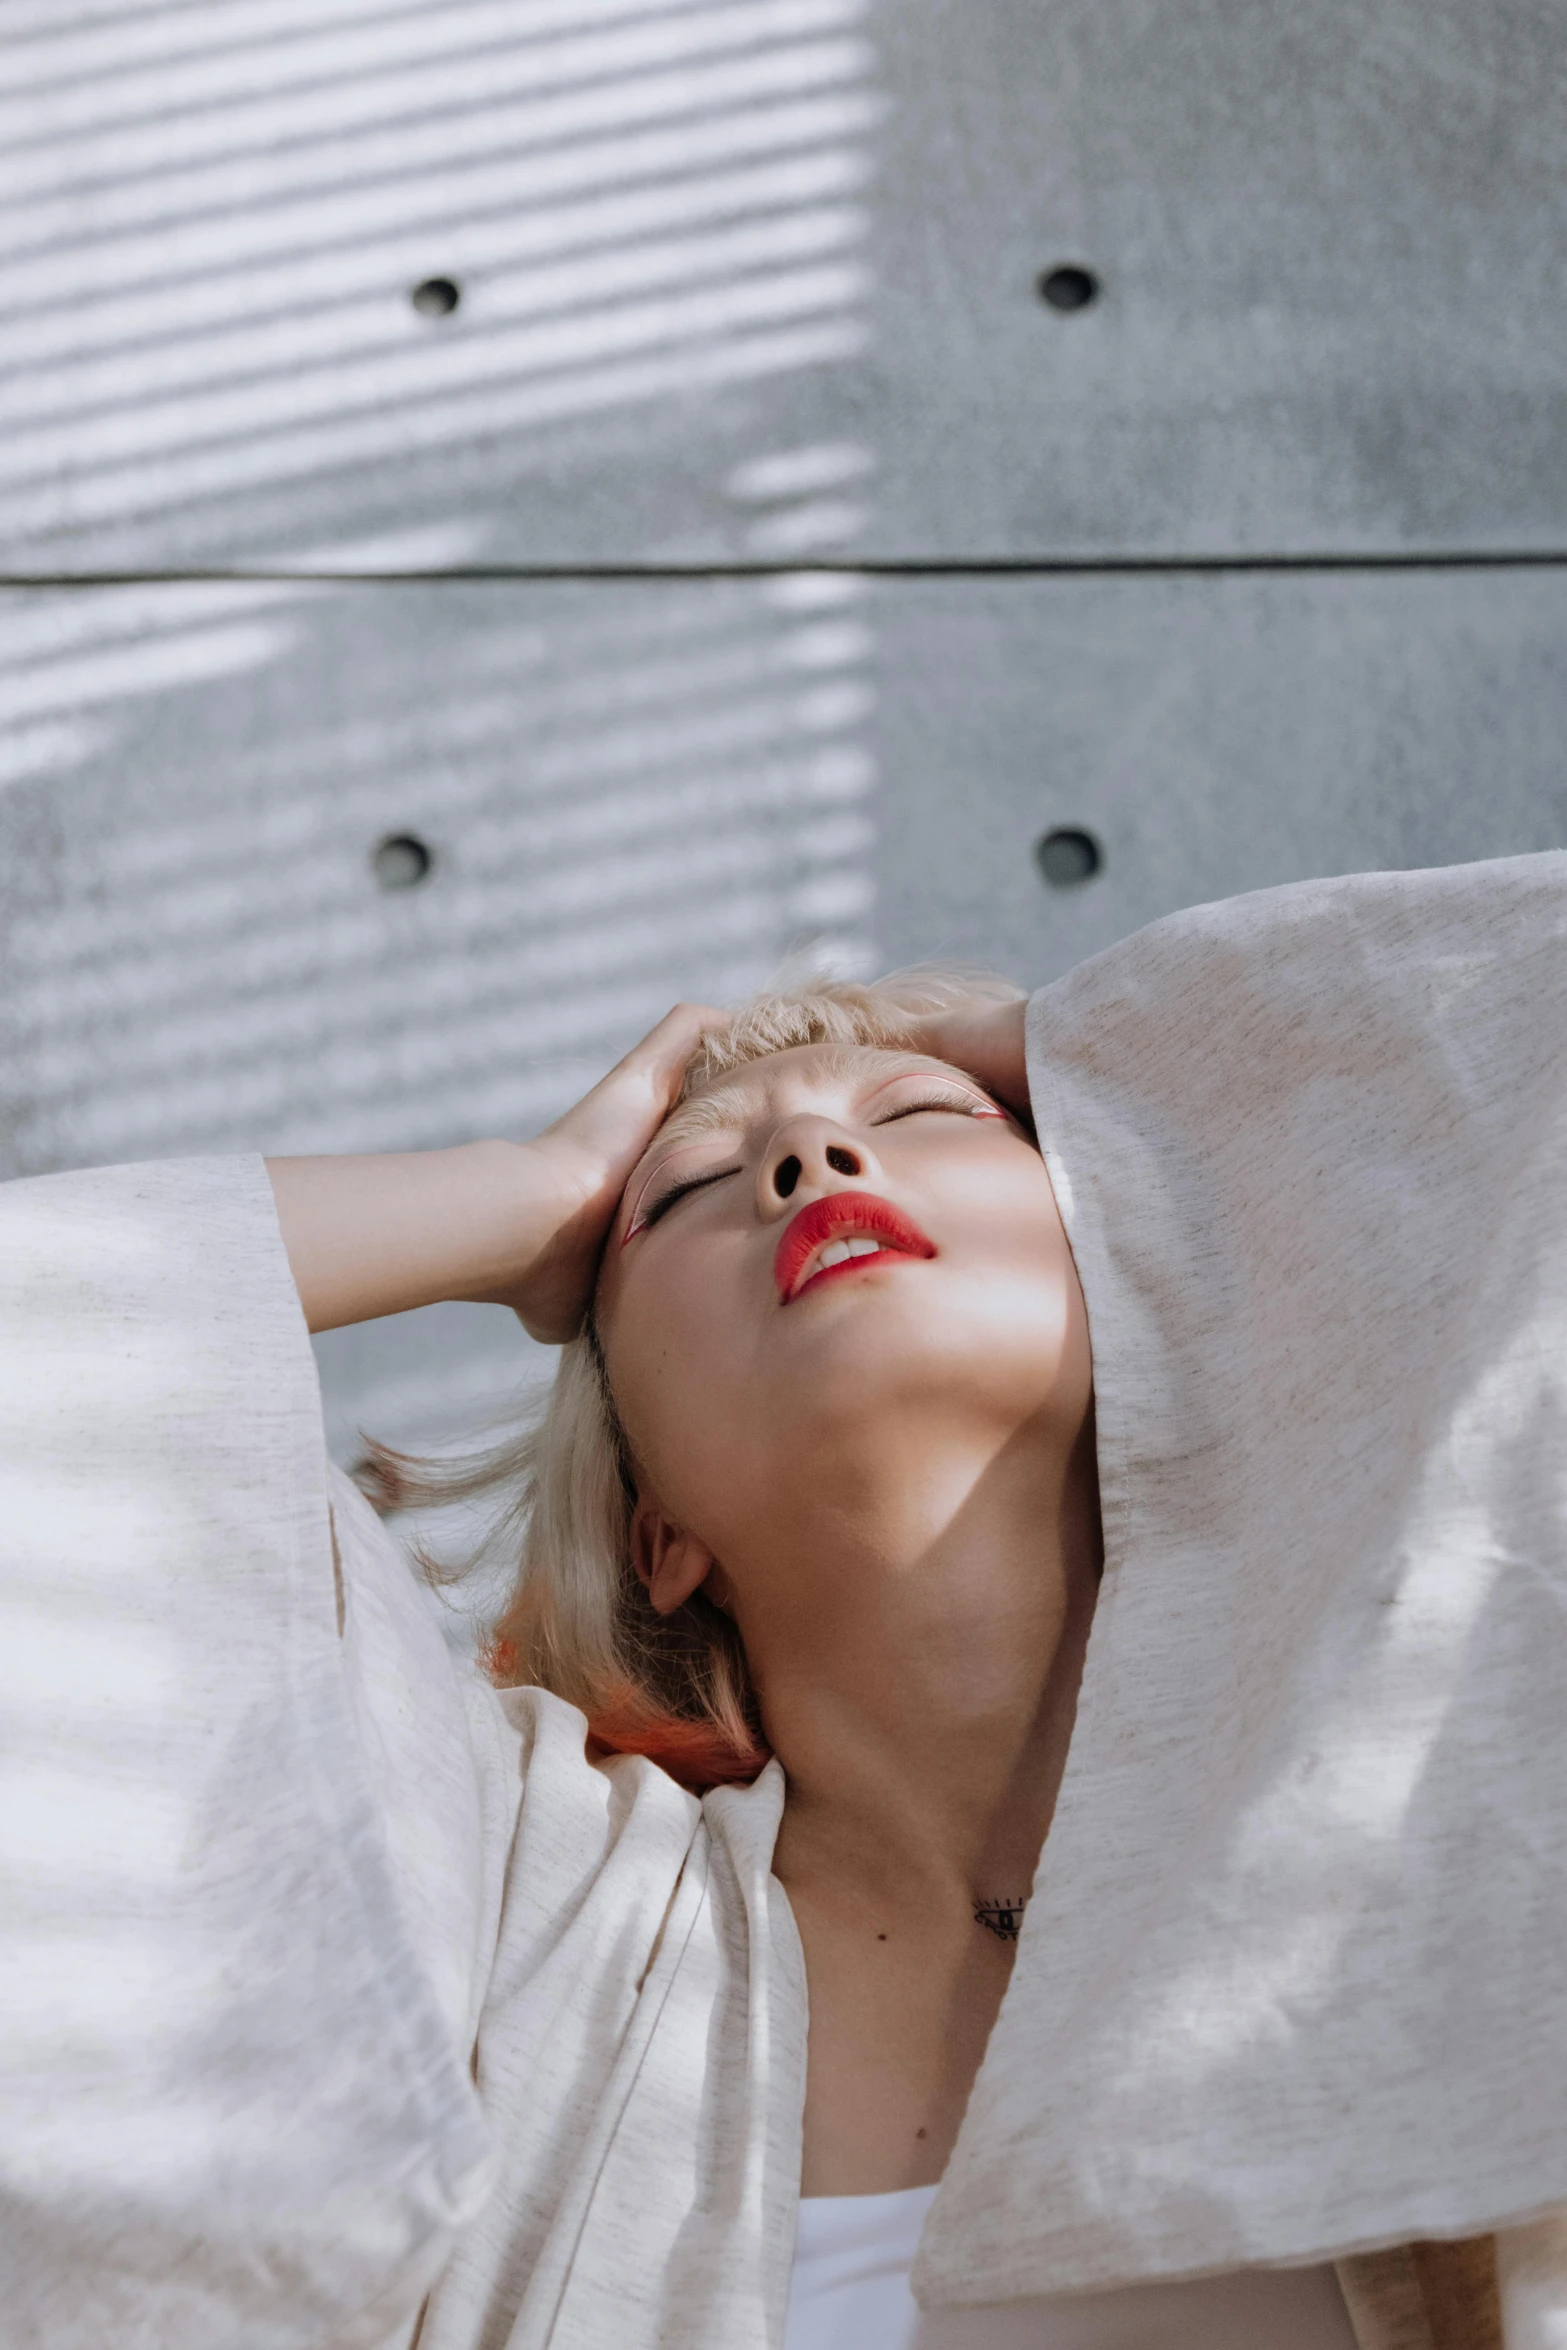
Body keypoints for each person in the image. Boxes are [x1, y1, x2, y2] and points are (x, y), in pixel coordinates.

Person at [4, 853, 1567, 2350]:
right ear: (650, 1523)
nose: (807, 1162)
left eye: (929, 1113)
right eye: (679, 1191)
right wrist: (522, 1191)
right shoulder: (513, 1901)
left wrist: (1110, 1061)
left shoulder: (1441, 1732)